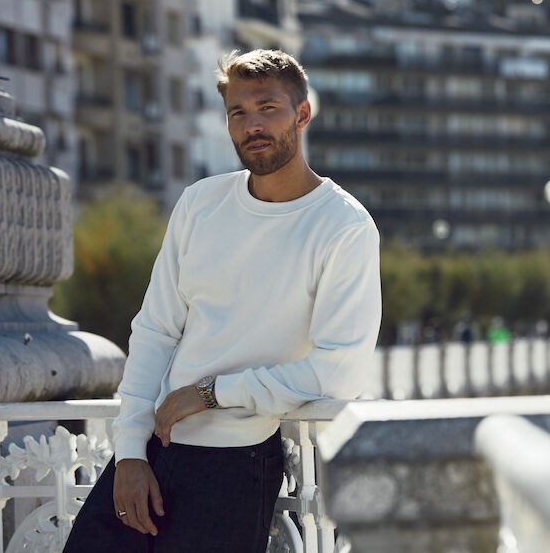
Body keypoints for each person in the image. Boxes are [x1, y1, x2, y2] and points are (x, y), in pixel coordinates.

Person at [64, 49, 382, 552]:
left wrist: (213, 392)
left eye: (267, 108)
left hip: (236, 461)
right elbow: (155, 329)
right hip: (153, 449)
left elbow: (339, 370)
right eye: (238, 112)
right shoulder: (200, 203)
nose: (252, 125)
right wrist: (129, 452)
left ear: (301, 114)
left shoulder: (344, 226)